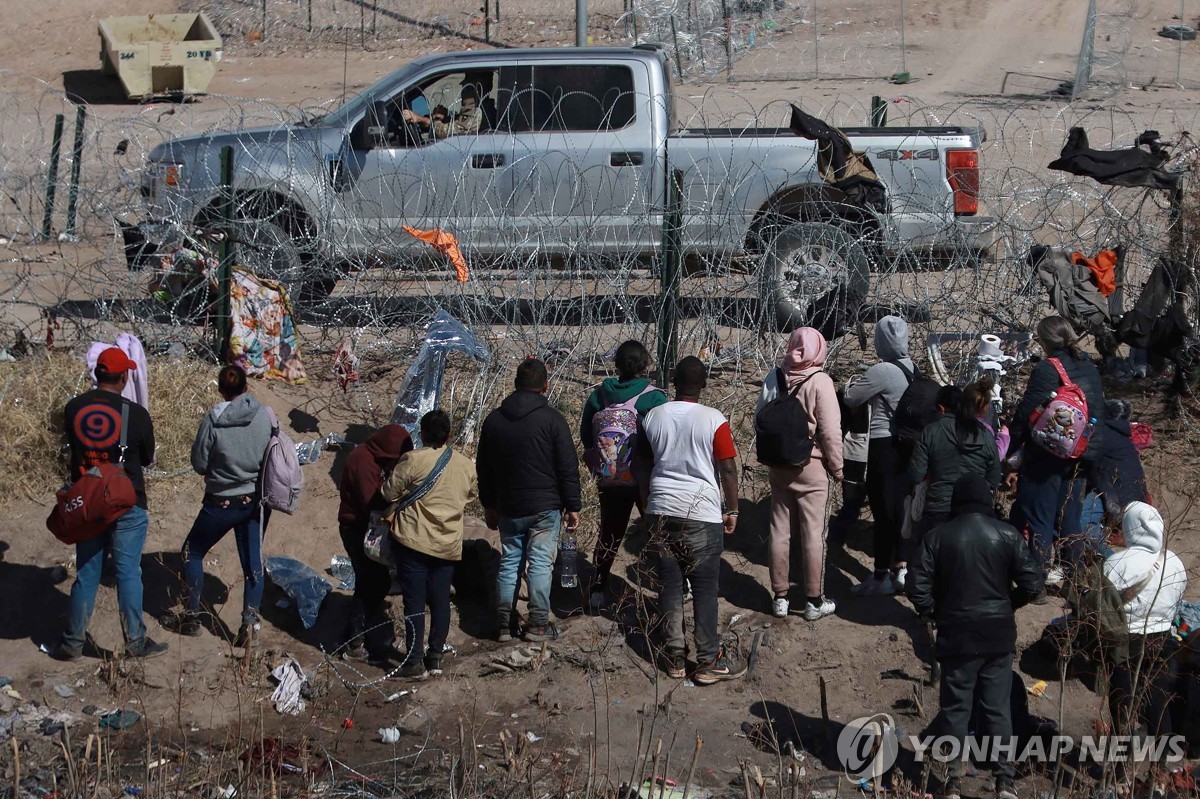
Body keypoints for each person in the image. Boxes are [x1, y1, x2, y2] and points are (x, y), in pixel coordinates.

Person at [906, 475, 1043, 799]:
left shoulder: (936, 537)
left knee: (956, 709)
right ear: (986, 500)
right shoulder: (1007, 535)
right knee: (997, 708)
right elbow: (1033, 584)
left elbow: (916, 586)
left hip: (957, 636)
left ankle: (952, 780)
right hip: (997, 635)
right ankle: (1004, 781)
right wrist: (1009, 603)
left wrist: (933, 612)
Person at [53, 348, 166, 661]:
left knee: (87, 573)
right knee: (128, 572)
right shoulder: (137, 414)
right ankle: (135, 641)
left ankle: (72, 643)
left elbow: (72, 449)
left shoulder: (73, 408)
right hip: (127, 499)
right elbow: (146, 458)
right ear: (124, 376)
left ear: (96, 374)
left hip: (88, 503)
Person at [638, 356, 745, 685]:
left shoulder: (653, 416)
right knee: (704, 588)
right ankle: (708, 659)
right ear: (704, 384)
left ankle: (674, 657)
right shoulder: (714, 419)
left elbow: (642, 465)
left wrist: (647, 504)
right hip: (701, 512)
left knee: (669, 585)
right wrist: (733, 508)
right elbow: (727, 467)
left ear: (673, 381)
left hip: (661, 508)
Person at [477, 359, 582, 642]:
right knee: (539, 563)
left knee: (510, 561)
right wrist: (573, 506)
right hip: (546, 507)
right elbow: (567, 466)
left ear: (515, 384)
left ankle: (503, 623)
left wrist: (489, 505)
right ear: (545, 386)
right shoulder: (552, 420)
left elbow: (483, 468)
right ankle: (537, 623)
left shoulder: (494, 420)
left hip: (509, 506)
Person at [1007, 316, 1106, 584]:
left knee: (1040, 516)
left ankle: (1036, 581)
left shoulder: (1048, 369)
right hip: (1082, 453)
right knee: (1069, 516)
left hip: (1047, 456)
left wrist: (1015, 451)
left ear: (1044, 340)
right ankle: (1074, 579)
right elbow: (1099, 410)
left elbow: (1027, 413)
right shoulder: (1088, 366)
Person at [181, 364, 274, 648]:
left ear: (221, 390)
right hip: (254, 503)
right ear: (246, 387)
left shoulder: (213, 419)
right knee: (253, 566)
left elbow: (199, 463)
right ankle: (249, 625)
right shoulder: (264, 415)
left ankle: (192, 617)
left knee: (192, 551)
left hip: (220, 503)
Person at [755, 327, 843, 620]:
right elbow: (830, 432)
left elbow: (760, 418)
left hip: (779, 465)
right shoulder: (820, 382)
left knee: (779, 530)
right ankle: (813, 601)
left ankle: (779, 597)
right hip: (811, 465)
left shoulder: (775, 376)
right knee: (813, 534)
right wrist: (838, 467)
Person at [383, 410, 478, 679]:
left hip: (413, 541)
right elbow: (470, 495)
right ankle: (434, 656)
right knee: (440, 600)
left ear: (422, 434)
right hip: (446, 543)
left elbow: (388, 492)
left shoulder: (413, 459)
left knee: (414, 601)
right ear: (449, 434)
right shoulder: (465, 465)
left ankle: (413, 662)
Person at [579, 340, 668, 610]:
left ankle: (597, 588)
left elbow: (586, 436)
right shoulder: (654, 398)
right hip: (644, 476)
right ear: (645, 364)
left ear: (617, 364)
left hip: (611, 473)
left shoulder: (599, 395)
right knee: (658, 530)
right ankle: (673, 584)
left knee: (610, 531)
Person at [1103, 502, 1186, 758]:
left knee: (1122, 707)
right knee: (1159, 707)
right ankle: (1159, 776)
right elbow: (1179, 598)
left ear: (1129, 527)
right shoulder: (1174, 561)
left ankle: (1117, 776)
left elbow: (1103, 604)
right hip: (1163, 642)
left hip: (1125, 643)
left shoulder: (1116, 563)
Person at [844, 315, 915, 595]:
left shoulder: (882, 370)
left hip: (882, 445)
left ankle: (880, 575)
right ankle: (901, 566)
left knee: (882, 511)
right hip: (907, 446)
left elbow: (851, 397)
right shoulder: (913, 367)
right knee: (900, 508)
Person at [336, 423, 414, 665]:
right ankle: (355, 641)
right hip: (356, 528)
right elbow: (372, 501)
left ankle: (359, 634)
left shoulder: (372, 458)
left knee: (375, 581)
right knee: (370, 581)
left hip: (366, 527)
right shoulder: (363, 463)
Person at [908, 380, 1001, 536]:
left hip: (938, 509)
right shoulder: (986, 436)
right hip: (975, 513)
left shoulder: (931, 431)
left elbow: (916, 474)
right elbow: (994, 479)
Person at [403, 84, 482, 139]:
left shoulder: (476, 113)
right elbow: (456, 122)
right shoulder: (476, 111)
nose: (463, 92)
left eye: (468, 90)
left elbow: (445, 132)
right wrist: (433, 118)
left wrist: (436, 119)